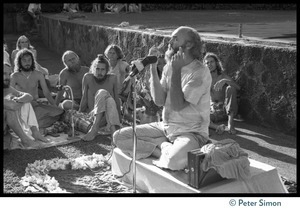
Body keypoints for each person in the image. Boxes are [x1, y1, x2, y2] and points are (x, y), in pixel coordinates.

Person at [113, 26, 212, 171]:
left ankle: (169, 149)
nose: (169, 41)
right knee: (119, 137)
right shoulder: (169, 67)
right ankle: (161, 147)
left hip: (191, 132)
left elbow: (178, 105)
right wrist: (153, 68)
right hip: (165, 127)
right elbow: (159, 101)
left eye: (175, 38)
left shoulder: (200, 72)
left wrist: (177, 70)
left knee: (173, 162)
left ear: (189, 45)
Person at [10, 49, 64, 129]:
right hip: (22, 106)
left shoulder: (38, 74)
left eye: (29, 60)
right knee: (37, 116)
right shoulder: (15, 76)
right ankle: (33, 124)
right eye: (24, 60)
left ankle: (33, 124)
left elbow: (46, 92)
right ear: (19, 62)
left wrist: (54, 105)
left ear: (32, 61)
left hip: (36, 104)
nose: (27, 63)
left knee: (59, 112)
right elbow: (10, 95)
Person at [4, 62, 48, 149]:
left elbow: (28, 96)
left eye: (9, 74)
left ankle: (35, 132)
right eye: (3, 74)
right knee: (9, 109)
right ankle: (25, 140)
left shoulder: (6, 88)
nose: (7, 77)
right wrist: (18, 101)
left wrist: (19, 99)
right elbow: (12, 107)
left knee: (25, 101)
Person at [78, 54, 121, 141]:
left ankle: (112, 132)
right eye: (97, 69)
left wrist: (119, 119)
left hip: (106, 118)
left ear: (107, 70)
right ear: (93, 69)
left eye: (102, 69)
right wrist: (79, 115)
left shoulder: (112, 79)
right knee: (102, 92)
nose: (99, 72)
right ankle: (103, 129)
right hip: (92, 116)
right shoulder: (88, 77)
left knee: (108, 99)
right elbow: (84, 98)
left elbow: (116, 99)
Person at [203, 52, 240, 134]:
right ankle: (219, 127)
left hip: (226, 109)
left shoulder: (223, 76)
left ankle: (230, 123)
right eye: (207, 63)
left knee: (231, 88)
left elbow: (238, 87)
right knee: (199, 118)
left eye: (211, 61)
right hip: (214, 111)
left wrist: (225, 81)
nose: (209, 64)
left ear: (216, 63)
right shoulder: (205, 79)